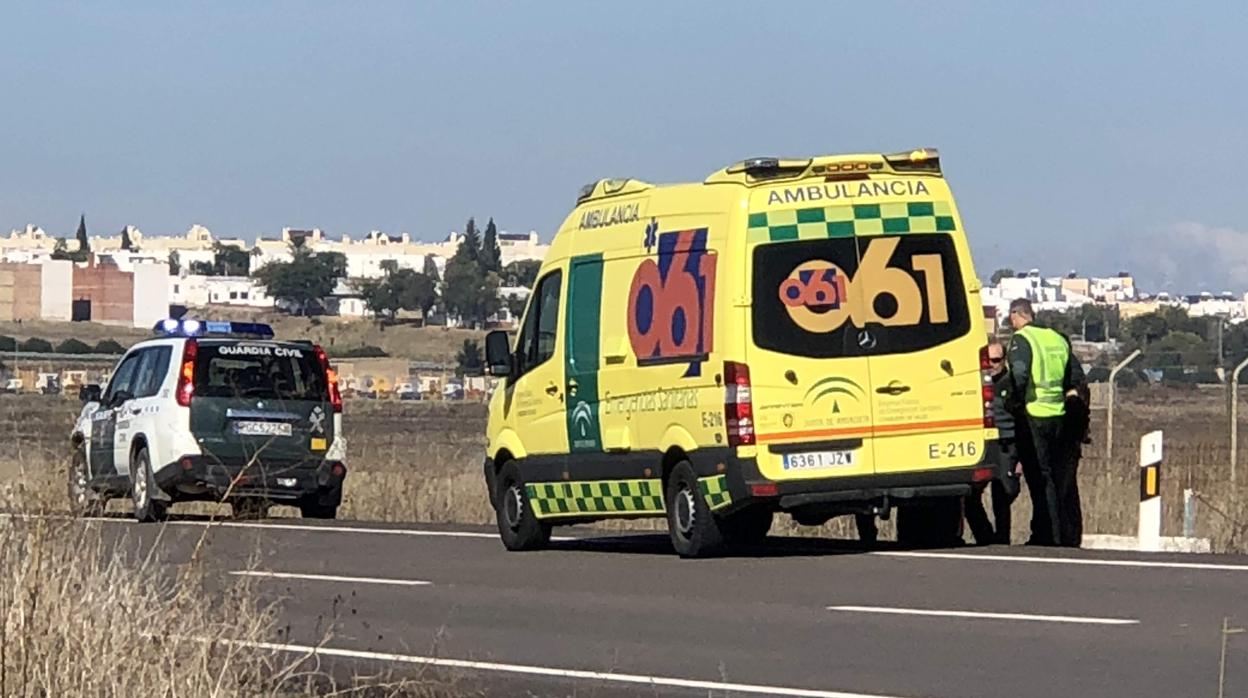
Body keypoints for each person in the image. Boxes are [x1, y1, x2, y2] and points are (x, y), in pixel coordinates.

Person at [1007, 298, 1087, 547]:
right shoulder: (1057, 338)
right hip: (1059, 416)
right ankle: (1062, 533)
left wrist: (1012, 403)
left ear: (1015, 316)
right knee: (1059, 478)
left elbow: (1019, 377)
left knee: (1040, 481)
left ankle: (1046, 536)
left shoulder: (1022, 340)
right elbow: (1075, 376)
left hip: (1034, 416)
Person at [964, 339, 1021, 545]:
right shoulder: (975, 384)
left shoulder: (1012, 384)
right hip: (983, 445)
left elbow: (1021, 421)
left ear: (1004, 360)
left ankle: (1002, 540)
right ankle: (985, 538)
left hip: (1007, 445)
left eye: (996, 360)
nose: (992, 364)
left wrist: (1020, 460)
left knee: (1004, 495)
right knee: (969, 495)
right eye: (988, 360)